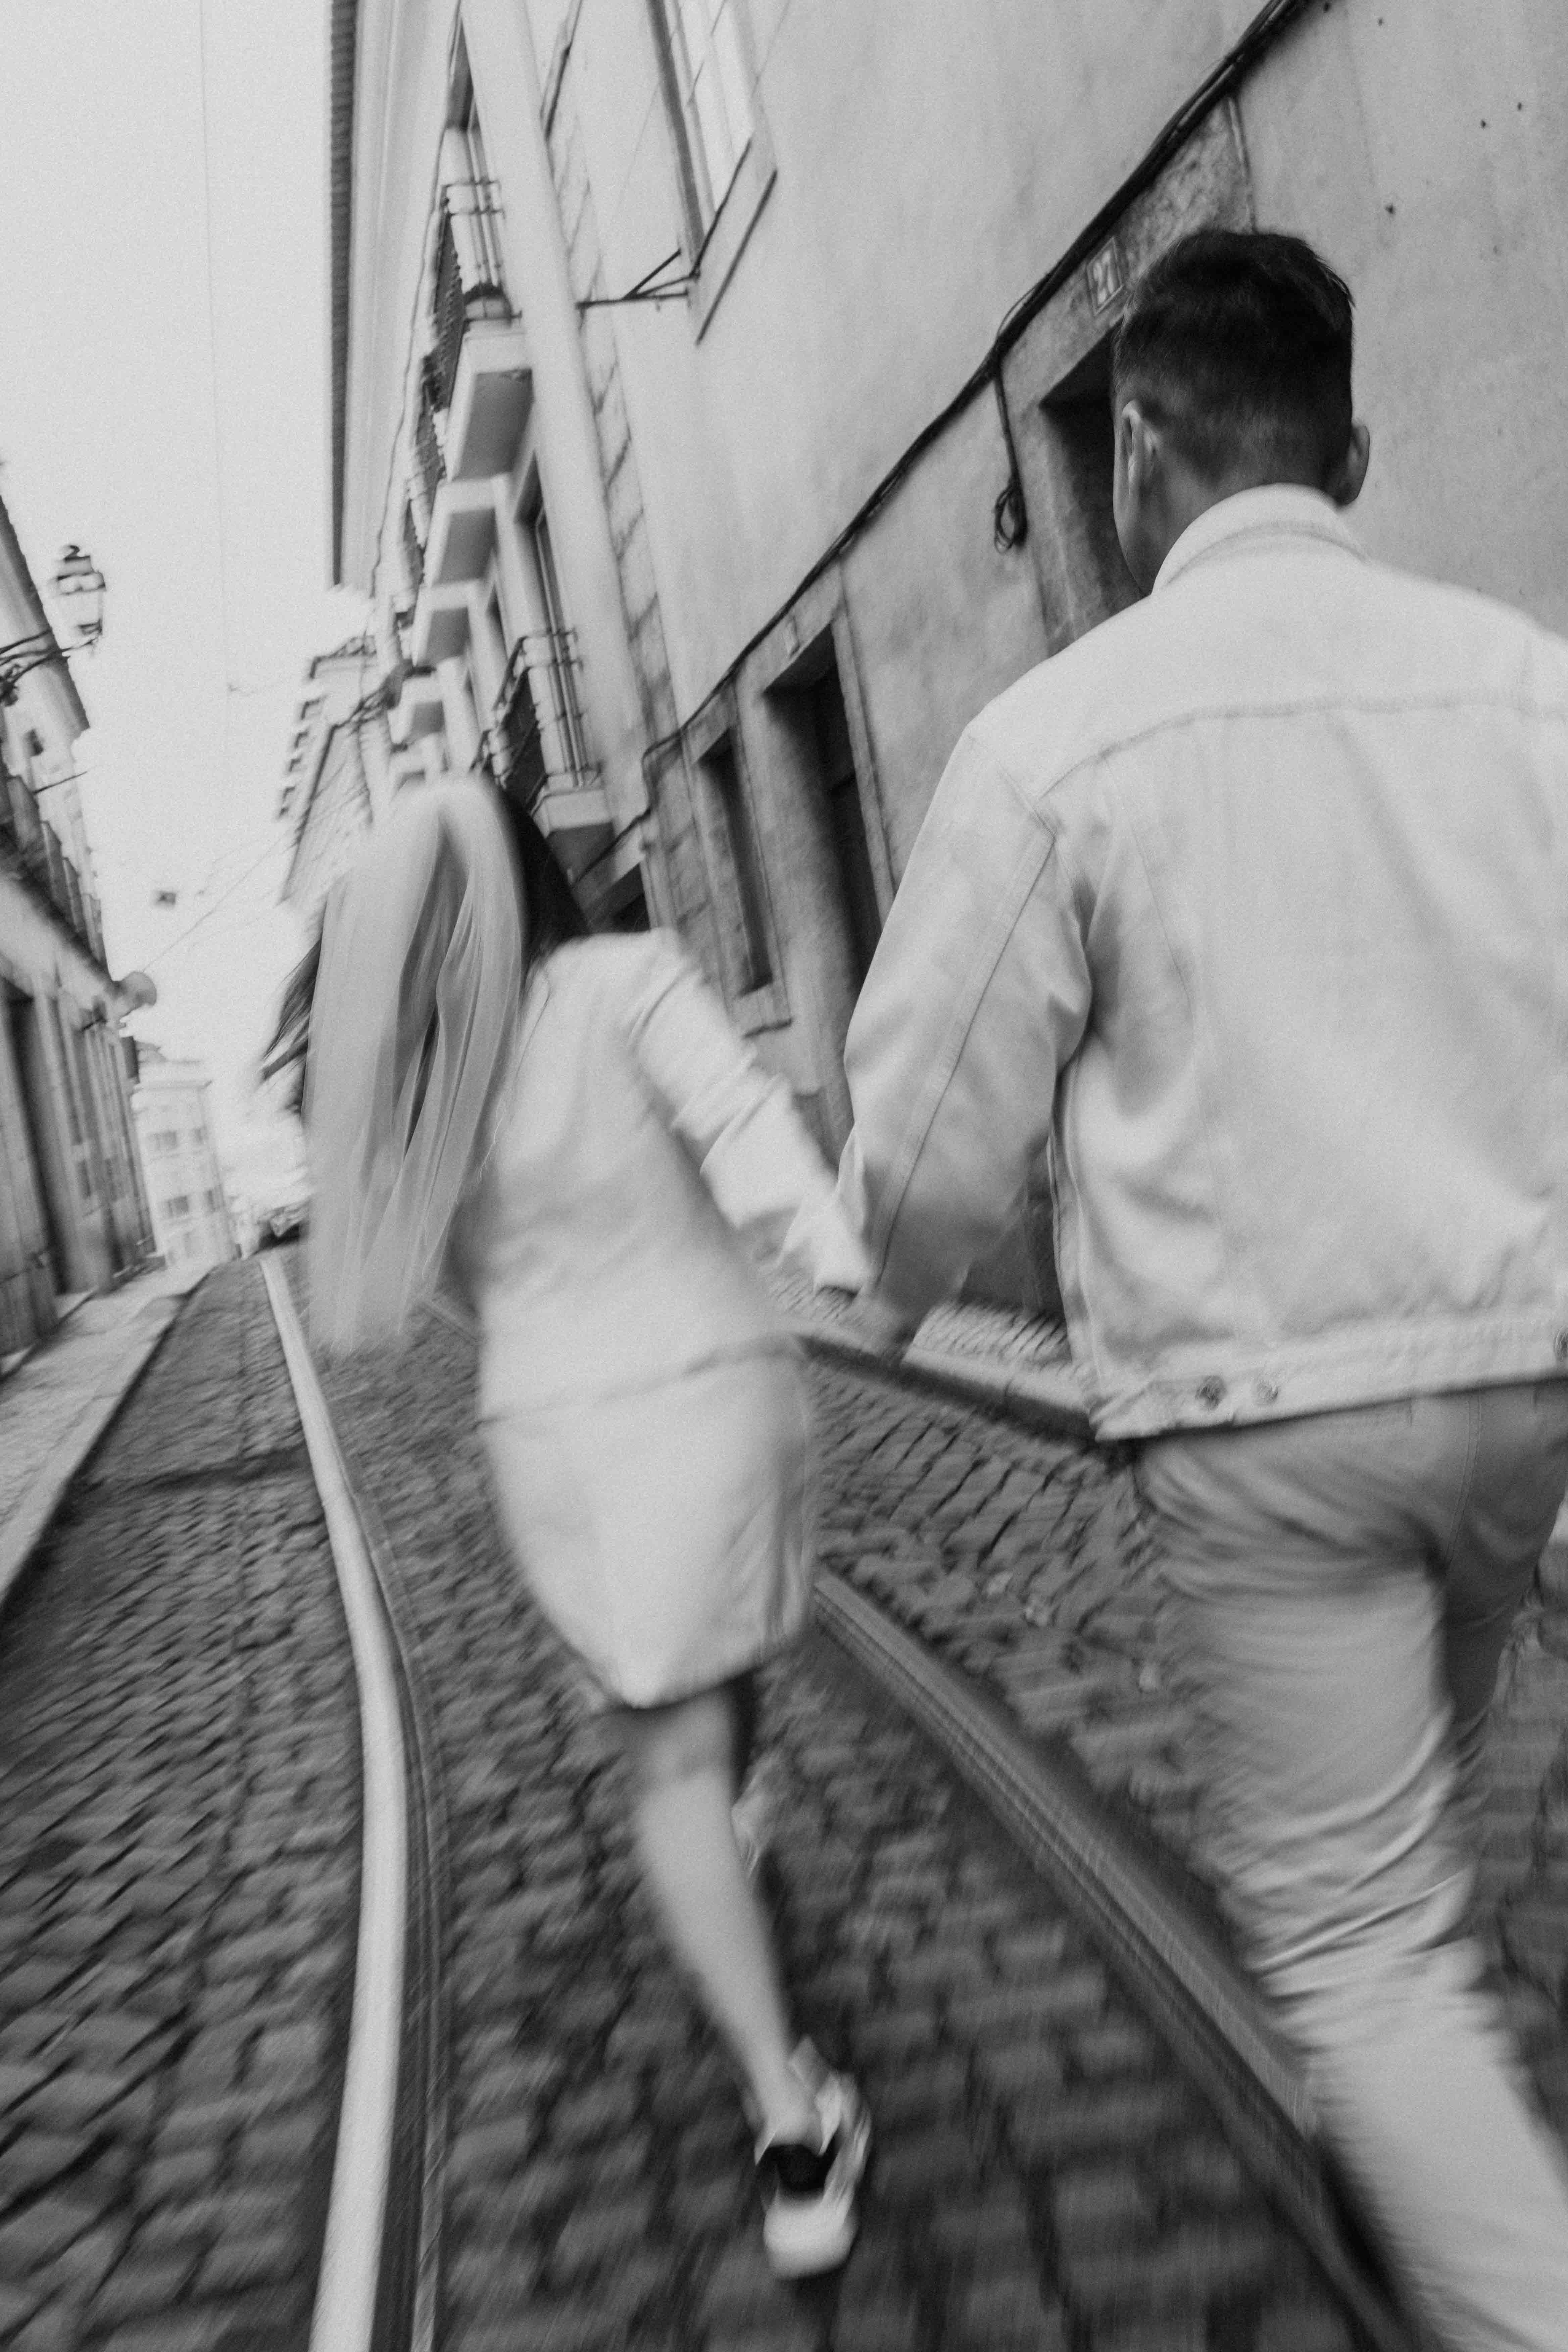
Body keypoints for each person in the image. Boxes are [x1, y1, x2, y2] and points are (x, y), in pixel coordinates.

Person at [835, 227, 1568, 2346]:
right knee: (1410, 1822)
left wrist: (883, 1296)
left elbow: (927, 1145)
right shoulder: (1528, 689)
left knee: (1356, 1943)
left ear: (1137, 445)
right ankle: (1420, 2124)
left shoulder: (1052, 742)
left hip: (1266, 1427)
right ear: (1351, 452)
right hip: (1519, 1386)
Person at [294, 776, 872, 2278]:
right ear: (538, 872)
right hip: (716, 1384)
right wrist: (830, 1242)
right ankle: (752, 1924)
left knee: (663, 1744)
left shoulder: (422, 1078)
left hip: (552, 1428)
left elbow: (439, 1280)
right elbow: (737, 1118)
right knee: (719, 1666)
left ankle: (791, 2122)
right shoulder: (625, 979)